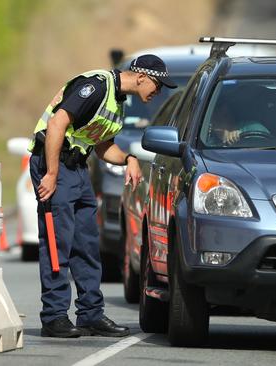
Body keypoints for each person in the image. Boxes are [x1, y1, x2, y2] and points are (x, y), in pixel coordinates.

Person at [28, 54, 177, 338]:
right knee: (57, 242)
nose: (157, 92)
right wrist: (51, 173)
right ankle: (54, 316)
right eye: (157, 86)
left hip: (78, 168)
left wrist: (129, 158)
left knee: (86, 244)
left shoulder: (118, 101)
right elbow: (58, 124)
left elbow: (102, 147)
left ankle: (90, 314)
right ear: (142, 77)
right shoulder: (96, 87)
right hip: (55, 165)